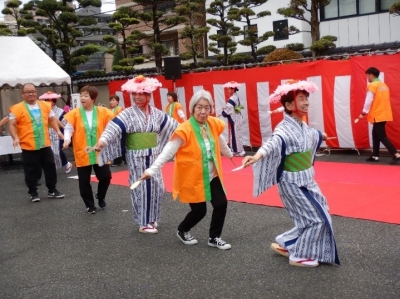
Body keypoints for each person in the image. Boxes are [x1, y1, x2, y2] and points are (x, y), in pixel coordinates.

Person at [242, 80, 340, 267]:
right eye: (301, 99)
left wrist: (321, 135)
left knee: (322, 211)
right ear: (288, 105)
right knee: (315, 218)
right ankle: (299, 255)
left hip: (307, 179)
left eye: (306, 98)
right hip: (292, 183)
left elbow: (311, 134)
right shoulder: (283, 128)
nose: (306, 102)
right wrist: (257, 155)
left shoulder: (302, 126)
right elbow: (273, 142)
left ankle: (288, 242)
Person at [139, 89, 234, 249]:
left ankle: (214, 237)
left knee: (221, 203)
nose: (203, 112)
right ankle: (183, 229)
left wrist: (230, 154)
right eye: (199, 107)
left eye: (207, 107)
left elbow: (220, 140)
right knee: (200, 211)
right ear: (192, 108)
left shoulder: (213, 124)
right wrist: (151, 170)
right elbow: (168, 151)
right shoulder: (185, 129)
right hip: (193, 176)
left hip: (212, 174)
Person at [95, 75, 178, 233]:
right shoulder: (127, 114)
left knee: (158, 187)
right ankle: (144, 222)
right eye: (135, 94)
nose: (137, 97)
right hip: (136, 156)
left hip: (154, 156)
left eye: (141, 93)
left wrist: (191, 131)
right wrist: (103, 141)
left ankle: (152, 218)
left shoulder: (157, 113)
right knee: (142, 187)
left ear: (149, 95)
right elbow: (114, 128)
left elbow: (174, 126)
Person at [8, 83, 65, 202]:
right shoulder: (16, 108)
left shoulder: (45, 105)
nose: (31, 94)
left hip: (45, 143)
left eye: (33, 91)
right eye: (28, 92)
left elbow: (52, 119)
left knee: (50, 166)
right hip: (28, 145)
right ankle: (33, 192)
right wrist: (15, 137)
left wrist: (58, 132)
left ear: (36, 92)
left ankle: (52, 189)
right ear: (22, 94)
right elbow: (12, 125)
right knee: (31, 170)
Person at [62, 85, 114, 214]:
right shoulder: (74, 113)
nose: (82, 98)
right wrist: (67, 139)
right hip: (82, 151)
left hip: (100, 150)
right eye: (81, 95)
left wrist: (106, 141)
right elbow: (68, 128)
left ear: (93, 98)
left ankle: (100, 196)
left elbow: (110, 129)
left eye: (86, 95)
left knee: (106, 177)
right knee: (84, 181)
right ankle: (89, 205)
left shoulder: (104, 112)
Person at [358, 67, 400, 165]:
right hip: (385, 113)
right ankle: (375, 155)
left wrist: (364, 112)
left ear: (371, 75)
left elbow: (368, 101)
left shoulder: (373, 85)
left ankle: (396, 154)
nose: (367, 78)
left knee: (381, 135)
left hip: (378, 114)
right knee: (375, 135)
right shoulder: (384, 85)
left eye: (367, 76)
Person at [39, 91, 72, 173]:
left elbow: (64, 123)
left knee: (57, 151)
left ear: (54, 102)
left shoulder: (60, 111)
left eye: (51, 101)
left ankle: (67, 163)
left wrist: (63, 130)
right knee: (50, 152)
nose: (49, 103)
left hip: (58, 133)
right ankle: (52, 167)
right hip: (47, 133)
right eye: (47, 101)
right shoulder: (43, 110)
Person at [221, 81, 245, 156]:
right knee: (237, 134)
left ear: (233, 89)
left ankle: (238, 151)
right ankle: (237, 150)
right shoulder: (235, 97)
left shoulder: (233, 98)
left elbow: (229, 108)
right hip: (237, 118)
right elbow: (230, 107)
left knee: (236, 135)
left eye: (229, 89)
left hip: (235, 119)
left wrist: (223, 112)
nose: (228, 90)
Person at [108, 95, 126, 167]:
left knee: (117, 145)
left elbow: (121, 119)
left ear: (117, 102)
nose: (111, 102)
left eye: (113, 100)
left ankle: (117, 161)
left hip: (119, 128)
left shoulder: (120, 109)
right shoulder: (109, 110)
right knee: (120, 145)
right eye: (111, 100)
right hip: (112, 129)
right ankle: (126, 159)